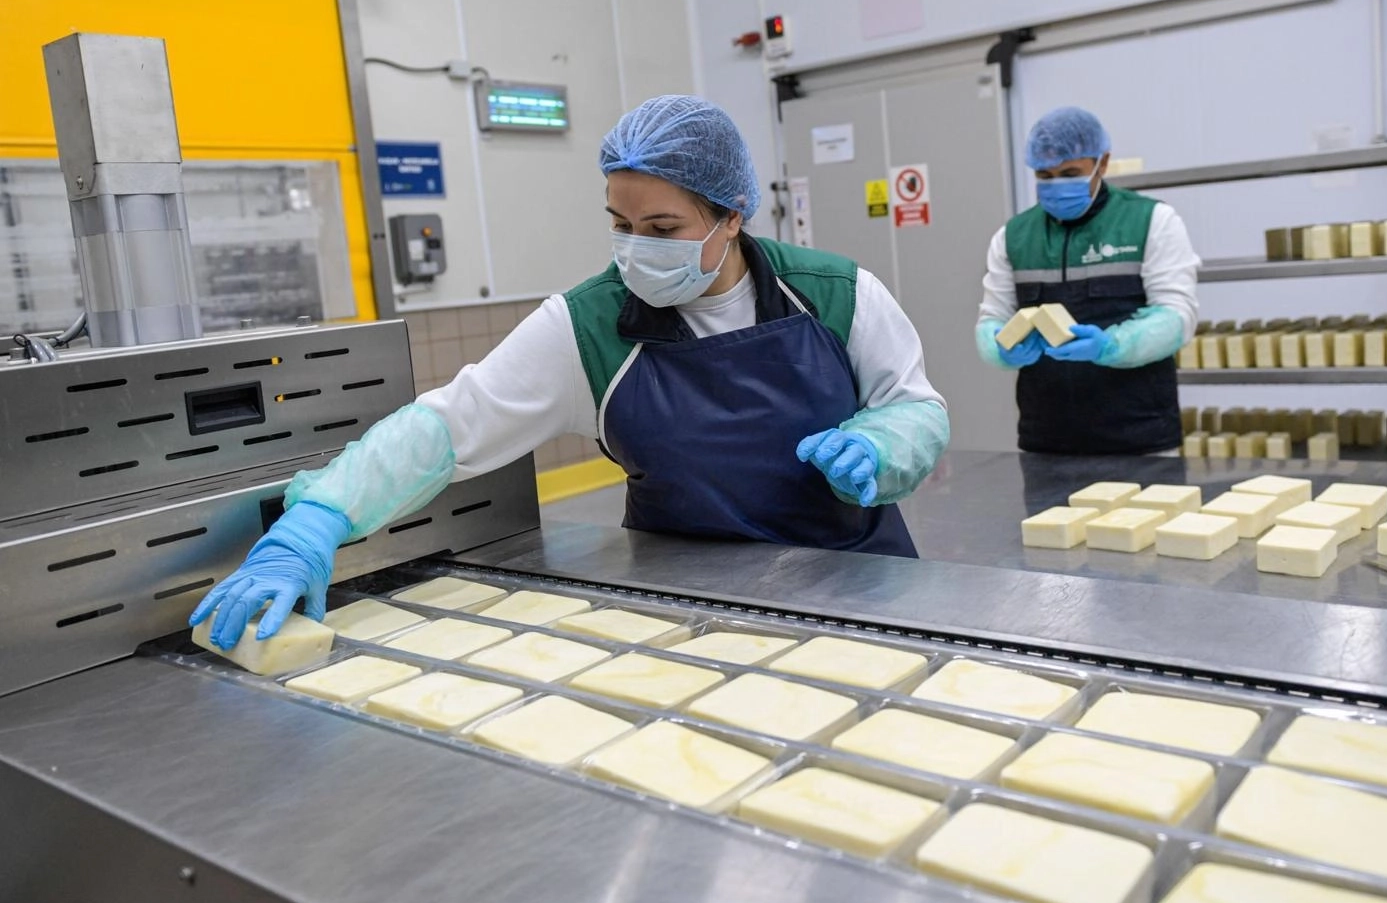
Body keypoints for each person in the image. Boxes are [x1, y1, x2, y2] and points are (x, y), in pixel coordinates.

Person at [193, 96, 949, 650]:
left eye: (663, 229)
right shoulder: (588, 326)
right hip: (686, 605)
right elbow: (448, 427)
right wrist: (318, 521)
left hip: (857, 585)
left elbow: (914, 407)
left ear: (733, 216)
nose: (637, 248)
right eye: (622, 225)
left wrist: (880, 446)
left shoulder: (835, 293)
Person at [975, 106, 1199, 456]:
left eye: (1070, 173)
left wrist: (1109, 346)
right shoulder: (1013, 237)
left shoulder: (1152, 221)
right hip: (1047, 439)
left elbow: (1177, 317)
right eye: (1045, 175)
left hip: (1140, 436)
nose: (1056, 185)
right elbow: (992, 319)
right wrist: (1000, 347)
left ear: (1102, 163)